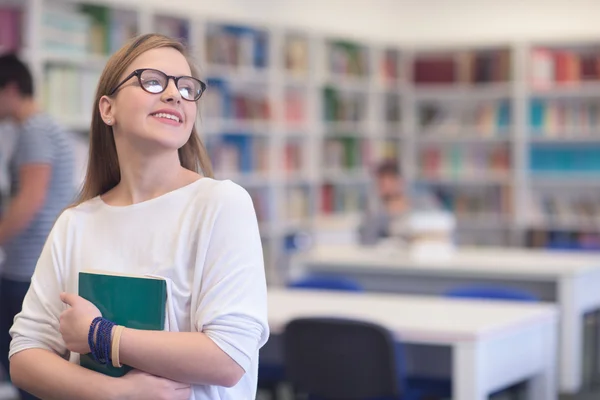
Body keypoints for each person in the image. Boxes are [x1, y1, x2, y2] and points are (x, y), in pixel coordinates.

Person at [8, 34, 269, 400]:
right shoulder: (76, 222)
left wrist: (102, 336)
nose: (174, 94)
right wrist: (117, 393)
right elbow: (25, 354)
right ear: (107, 109)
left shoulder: (221, 204)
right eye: (152, 81)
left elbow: (229, 357)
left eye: (186, 87)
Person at [0, 54, 75, 397]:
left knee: (25, 366)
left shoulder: (34, 130)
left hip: (27, 267)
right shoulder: (45, 127)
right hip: (36, 264)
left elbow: (30, 199)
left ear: (11, 89)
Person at [358, 159, 442, 245]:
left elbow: (439, 229)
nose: (384, 187)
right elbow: (366, 242)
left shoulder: (423, 203)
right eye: (380, 183)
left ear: (400, 181)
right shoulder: (376, 213)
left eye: (388, 181)